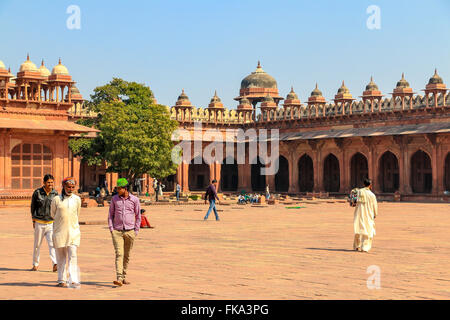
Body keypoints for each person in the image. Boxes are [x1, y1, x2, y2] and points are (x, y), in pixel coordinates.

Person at [108, 178, 141, 286]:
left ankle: (124, 276)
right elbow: (110, 215)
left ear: (125, 188)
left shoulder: (135, 200)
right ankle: (119, 277)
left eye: (119, 188)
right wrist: (112, 229)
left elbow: (138, 216)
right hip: (117, 231)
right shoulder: (114, 199)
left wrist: (136, 230)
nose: (117, 190)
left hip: (130, 231)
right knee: (119, 254)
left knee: (127, 255)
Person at [51, 177, 82, 287]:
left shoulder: (77, 199)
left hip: (73, 232)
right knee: (61, 258)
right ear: (63, 187)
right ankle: (61, 280)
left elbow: (77, 214)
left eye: (73, 187)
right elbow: (52, 214)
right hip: (60, 232)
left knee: (73, 255)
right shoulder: (56, 199)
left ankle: (73, 279)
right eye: (68, 187)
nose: (70, 189)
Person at [30, 174, 58, 272]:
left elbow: (57, 208)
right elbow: (33, 207)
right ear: (44, 183)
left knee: (52, 244)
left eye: (52, 182)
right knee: (37, 244)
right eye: (48, 182)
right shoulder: (37, 193)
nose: (50, 184)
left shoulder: (55, 194)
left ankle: (55, 263)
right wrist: (33, 220)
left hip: (51, 223)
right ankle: (35, 264)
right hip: (39, 222)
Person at [353, 178, 378, 253]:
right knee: (368, 230)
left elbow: (353, 202)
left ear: (364, 184)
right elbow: (375, 206)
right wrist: (375, 214)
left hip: (359, 213)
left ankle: (357, 246)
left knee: (358, 229)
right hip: (368, 214)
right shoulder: (372, 195)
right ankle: (365, 247)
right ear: (370, 185)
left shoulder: (358, 192)